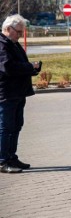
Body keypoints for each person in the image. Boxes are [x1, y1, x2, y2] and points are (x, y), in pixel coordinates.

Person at [0, 14, 41, 174]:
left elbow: (19, 65)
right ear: (8, 29)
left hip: (17, 93)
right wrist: (28, 67)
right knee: (6, 128)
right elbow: (8, 67)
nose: (20, 35)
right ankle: (3, 161)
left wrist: (32, 69)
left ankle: (12, 156)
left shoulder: (13, 43)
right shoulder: (2, 44)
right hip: (7, 93)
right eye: (19, 32)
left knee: (16, 126)